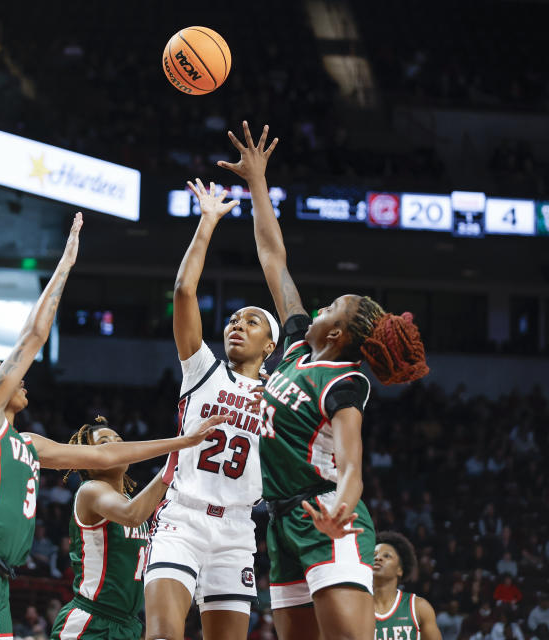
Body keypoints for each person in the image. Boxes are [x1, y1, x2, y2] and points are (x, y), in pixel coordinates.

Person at [0, 214, 219, 640]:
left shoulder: (28, 443)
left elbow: (103, 456)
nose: (15, 374)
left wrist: (185, 441)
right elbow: (32, 336)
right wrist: (65, 262)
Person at [219, 121, 429, 640]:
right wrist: (257, 183)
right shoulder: (292, 345)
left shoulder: (345, 381)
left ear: (336, 332)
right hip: (282, 523)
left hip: (327, 516)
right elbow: (273, 256)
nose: (321, 302)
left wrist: (339, 510)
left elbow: (353, 464)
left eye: (333, 305)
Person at [144, 177, 278, 640]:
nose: (237, 324)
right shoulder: (204, 368)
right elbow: (184, 290)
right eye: (234, 319)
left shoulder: (279, 393)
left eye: (252, 321)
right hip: (183, 518)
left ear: (271, 344)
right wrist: (206, 223)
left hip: (238, 531)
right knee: (162, 635)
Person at [50, 415, 227, 640]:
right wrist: (174, 460)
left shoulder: (128, 499)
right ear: (87, 460)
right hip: (91, 621)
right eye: (104, 443)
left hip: (128, 624)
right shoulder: (90, 490)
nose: (116, 445)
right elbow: (131, 515)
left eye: (119, 439)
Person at [373, 532, 441, 640]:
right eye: (374, 555)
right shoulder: (357, 607)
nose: (378, 558)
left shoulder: (419, 607)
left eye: (386, 556)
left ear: (400, 569)